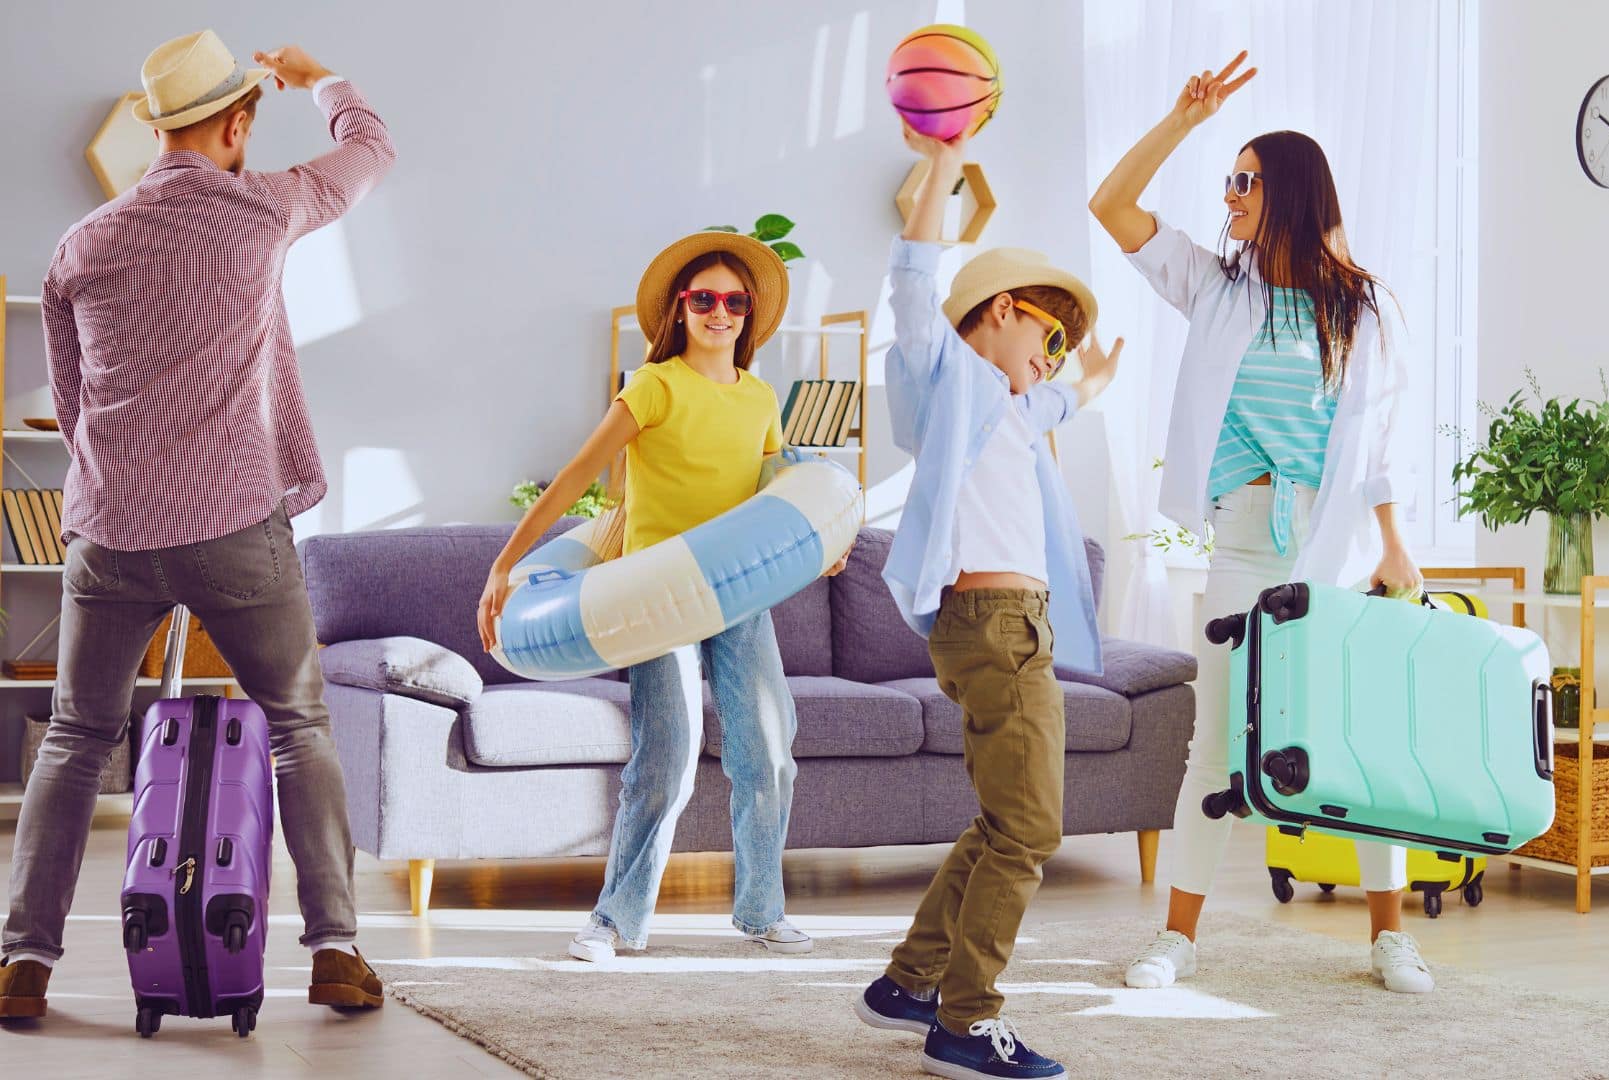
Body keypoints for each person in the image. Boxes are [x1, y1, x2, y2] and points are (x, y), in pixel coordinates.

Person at [0, 32, 395, 1018]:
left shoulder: (81, 244)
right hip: (233, 530)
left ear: (157, 128)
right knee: (300, 726)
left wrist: (118, 493)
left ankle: (23, 963)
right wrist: (319, 82)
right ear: (235, 124)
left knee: (77, 738)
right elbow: (371, 147)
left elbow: (73, 398)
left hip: (109, 534)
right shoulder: (265, 207)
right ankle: (337, 950)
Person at [1089, 50, 1435, 995]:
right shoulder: (1216, 285)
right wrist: (1182, 122)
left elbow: (1379, 445)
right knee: (1217, 741)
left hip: (1334, 543)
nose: (1230, 195)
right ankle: (1179, 940)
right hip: (1242, 535)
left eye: (1245, 180)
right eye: (1227, 178)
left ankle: (1389, 937)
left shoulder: (1364, 310)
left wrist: (1397, 546)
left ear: (1287, 191)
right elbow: (1110, 207)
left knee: (1362, 741)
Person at [477, 231, 848, 964]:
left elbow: (774, 492)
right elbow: (577, 475)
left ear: (749, 315)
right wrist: (503, 566)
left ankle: (762, 912)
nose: (721, 312)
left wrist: (826, 539)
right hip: (655, 598)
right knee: (667, 756)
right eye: (704, 298)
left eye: (734, 301)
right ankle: (615, 920)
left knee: (770, 753)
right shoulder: (653, 385)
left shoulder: (762, 397)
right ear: (680, 309)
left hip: (738, 596)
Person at [853, 119, 1121, 1080]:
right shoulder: (948, 378)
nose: (1052, 356)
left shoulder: (1007, 408)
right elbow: (916, 280)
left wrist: (1081, 386)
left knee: (1005, 820)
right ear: (1001, 311)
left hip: (1012, 630)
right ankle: (966, 1024)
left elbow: (1045, 404)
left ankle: (908, 983)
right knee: (1032, 830)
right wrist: (943, 163)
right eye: (1047, 335)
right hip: (995, 628)